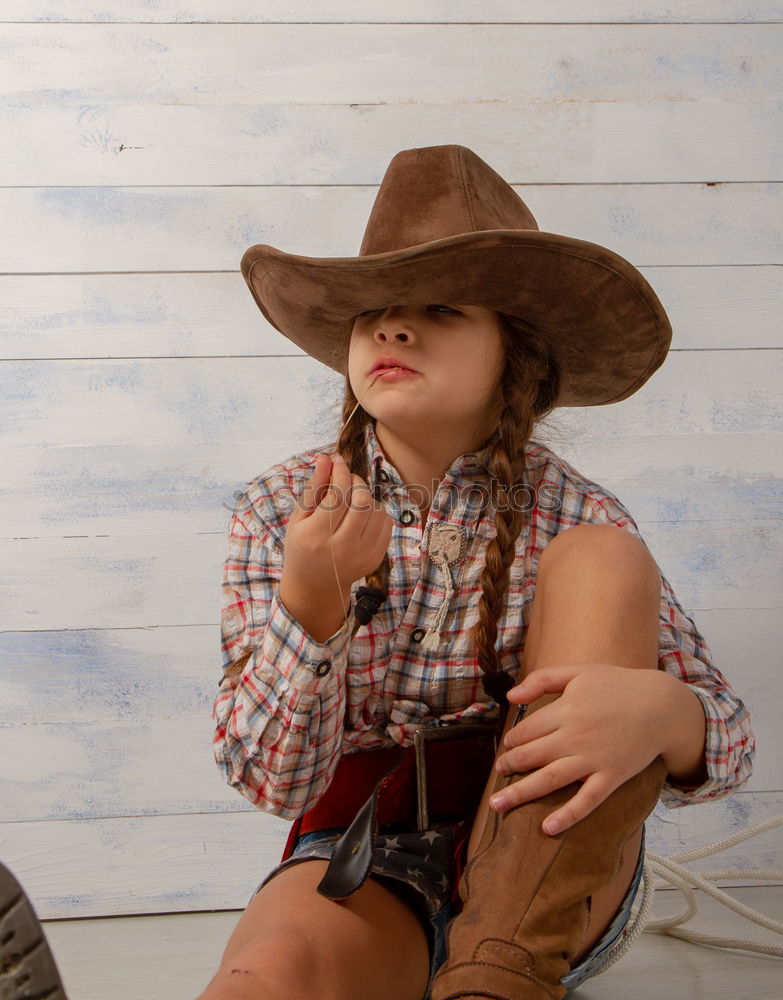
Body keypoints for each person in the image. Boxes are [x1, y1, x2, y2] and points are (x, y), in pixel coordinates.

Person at [202, 145, 754, 1000]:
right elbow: (274, 783)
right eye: (374, 312)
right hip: (361, 854)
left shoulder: (576, 512)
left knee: (602, 562)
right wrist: (311, 605)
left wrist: (665, 711)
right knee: (265, 978)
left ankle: (498, 975)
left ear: (514, 359)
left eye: (440, 307)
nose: (390, 326)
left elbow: (728, 742)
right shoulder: (282, 509)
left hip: (554, 868)